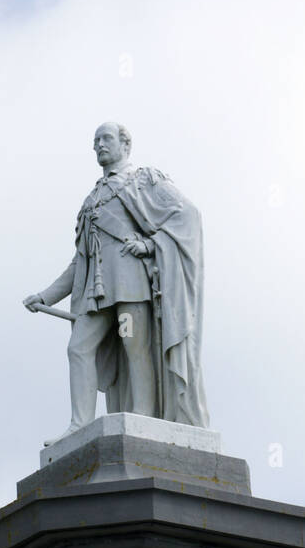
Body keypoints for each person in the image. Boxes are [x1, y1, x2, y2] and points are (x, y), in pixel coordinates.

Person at [23, 122, 208, 444]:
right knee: (78, 348)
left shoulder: (145, 180)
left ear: (125, 144)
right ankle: (80, 424)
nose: (99, 145)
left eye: (106, 139)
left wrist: (151, 245)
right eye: (95, 141)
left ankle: (141, 417)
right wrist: (45, 296)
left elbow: (187, 215)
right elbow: (81, 261)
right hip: (94, 294)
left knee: (134, 347)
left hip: (130, 286)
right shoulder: (92, 198)